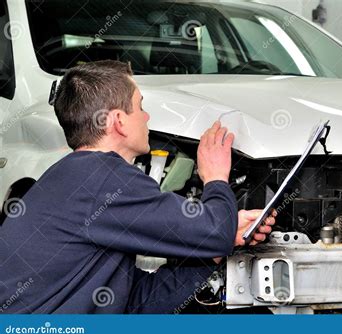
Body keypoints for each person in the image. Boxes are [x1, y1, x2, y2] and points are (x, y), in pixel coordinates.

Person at [0, 60, 274, 314]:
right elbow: (214, 230)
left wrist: (213, 252)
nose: (146, 117)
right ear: (119, 121)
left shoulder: (75, 176)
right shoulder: (103, 177)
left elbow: (136, 300)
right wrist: (215, 177)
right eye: (140, 107)